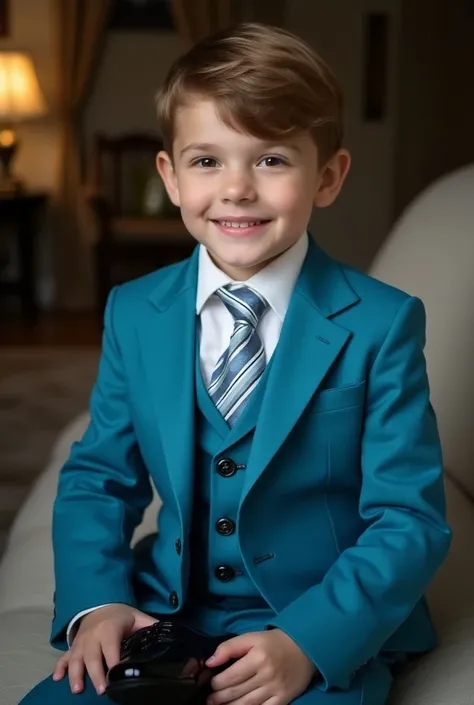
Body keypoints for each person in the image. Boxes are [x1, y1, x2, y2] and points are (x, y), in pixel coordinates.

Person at [20, 21, 451, 705]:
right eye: (207, 160)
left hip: (312, 622)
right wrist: (98, 603)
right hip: (165, 615)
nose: (237, 189)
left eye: (272, 160)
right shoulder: (135, 312)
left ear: (329, 176)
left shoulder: (381, 322)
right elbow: (99, 477)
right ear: (169, 175)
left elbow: (410, 518)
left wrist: (308, 641)